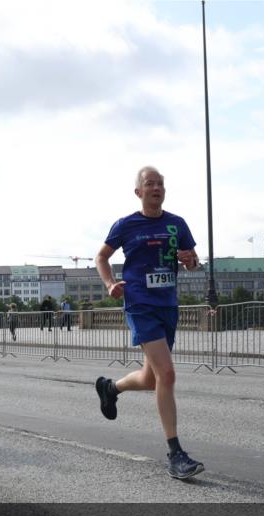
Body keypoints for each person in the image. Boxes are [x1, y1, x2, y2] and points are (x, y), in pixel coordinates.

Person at [94, 166, 204, 480]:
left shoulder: (176, 224)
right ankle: (176, 454)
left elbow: (193, 261)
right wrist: (110, 284)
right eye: (149, 184)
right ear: (139, 192)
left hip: (167, 305)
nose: (156, 188)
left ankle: (110, 387)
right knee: (167, 374)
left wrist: (191, 262)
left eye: (160, 184)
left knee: (152, 379)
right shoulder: (126, 225)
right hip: (140, 304)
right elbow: (101, 256)